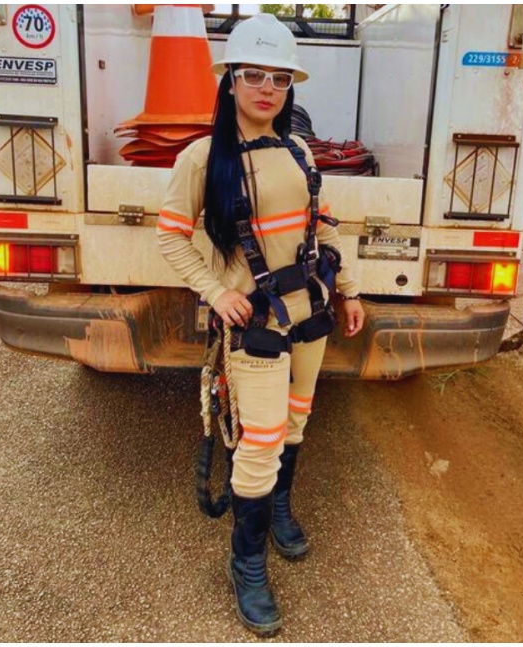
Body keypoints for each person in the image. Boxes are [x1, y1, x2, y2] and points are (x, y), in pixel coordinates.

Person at [157, 13, 365, 635]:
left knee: (297, 420)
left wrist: (349, 290)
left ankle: (278, 507)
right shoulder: (201, 159)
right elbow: (170, 237)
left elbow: (321, 227)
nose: (266, 87)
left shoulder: (299, 150)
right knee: (262, 437)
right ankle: (245, 562)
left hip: (312, 314)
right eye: (253, 75)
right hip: (256, 325)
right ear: (229, 81)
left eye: (278, 77)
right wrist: (216, 292)